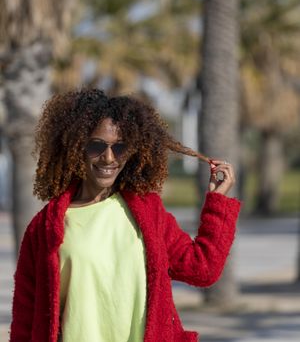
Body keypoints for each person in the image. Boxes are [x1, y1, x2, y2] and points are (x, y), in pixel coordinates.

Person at [10, 88, 241, 342]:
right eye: (97, 145)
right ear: (76, 147)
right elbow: (25, 319)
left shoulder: (148, 212)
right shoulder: (44, 228)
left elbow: (203, 269)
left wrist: (218, 203)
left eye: (120, 148)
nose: (109, 158)